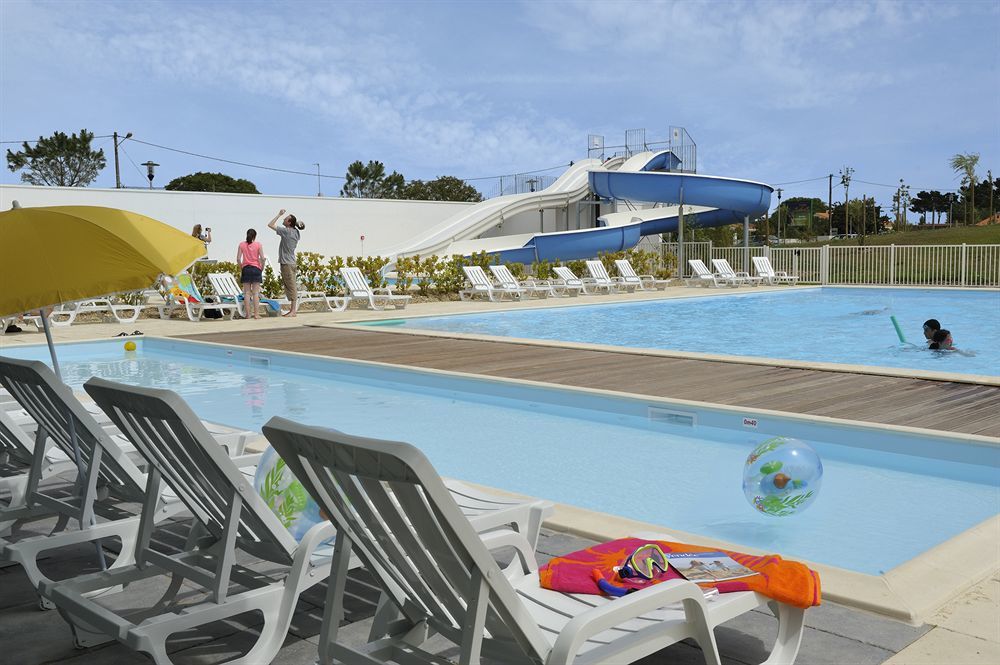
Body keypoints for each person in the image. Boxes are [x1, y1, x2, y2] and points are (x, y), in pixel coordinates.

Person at [267, 209, 305, 317]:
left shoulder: (286, 231)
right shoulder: (296, 232)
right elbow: (299, 226)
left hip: (287, 263)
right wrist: (295, 222)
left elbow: (270, 224)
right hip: (291, 262)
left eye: (286, 219)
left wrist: (279, 214)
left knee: (291, 286)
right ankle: (292, 310)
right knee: (290, 285)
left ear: (289, 223)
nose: (283, 219)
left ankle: (293, 311)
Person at [236, 228, 264, 319]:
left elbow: (238, 259)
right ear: (255, 236)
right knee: (255, 293)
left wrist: (242, 267)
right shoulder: (258, 244)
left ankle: (248, 314)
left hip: (246, 269)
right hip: (256, 269)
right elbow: (262, 258)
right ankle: (256, 314)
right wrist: (261, 267)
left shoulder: (241, 245)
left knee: (247, 293)